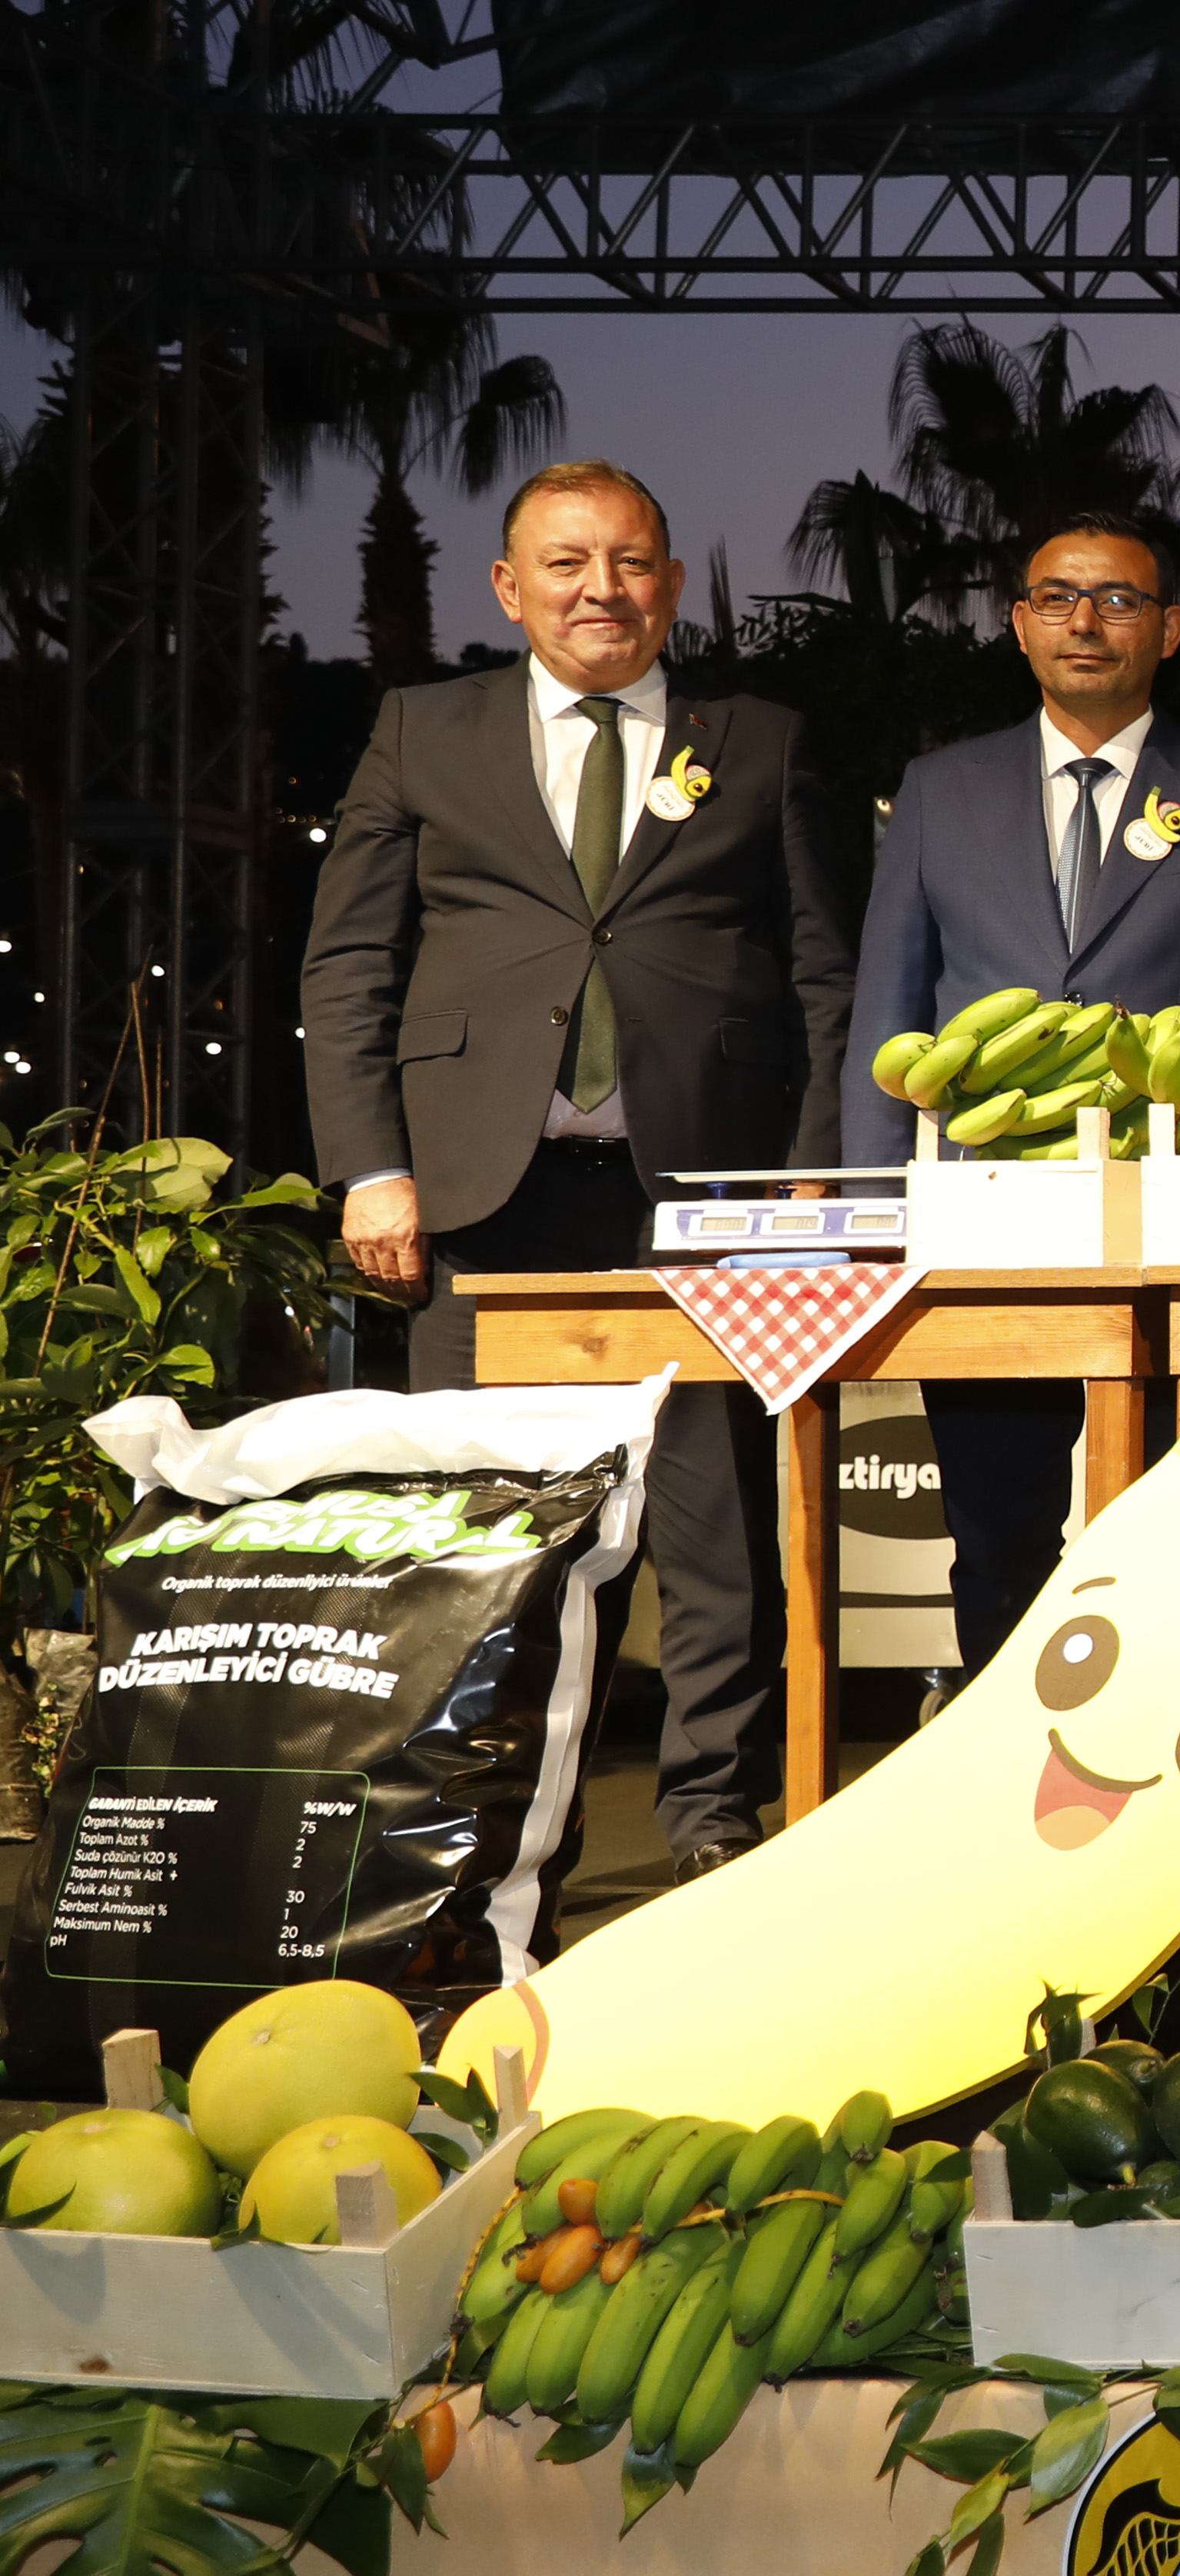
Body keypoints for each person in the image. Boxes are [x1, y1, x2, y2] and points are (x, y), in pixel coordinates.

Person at [304, 459, 854, 1884]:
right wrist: (371, 1168)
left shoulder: (762, 740)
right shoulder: (423, 731)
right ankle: (474, 1832)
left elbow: (822, 980)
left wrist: (809, 1183)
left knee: (718, 1532)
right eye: (566, 563)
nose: (600, 589)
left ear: (668, 583)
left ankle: (713, 1822)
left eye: (630, 561)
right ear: (510, 586)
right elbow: (351, 962)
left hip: (708, 1200)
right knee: (487, 1533)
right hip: (482, 1197)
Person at [843, 509, 1180, 1673]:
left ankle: (1157, 1757)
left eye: (1118, 599)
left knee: (1174, 1534)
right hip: (984, 1222)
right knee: (995, 1539)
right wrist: (870, 1204)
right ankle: (1001, 1764)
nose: (1087, 622)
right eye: (1058, 597)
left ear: (1171, 628)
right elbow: (886, 1014)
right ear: (1019, 625)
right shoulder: (939, 791)